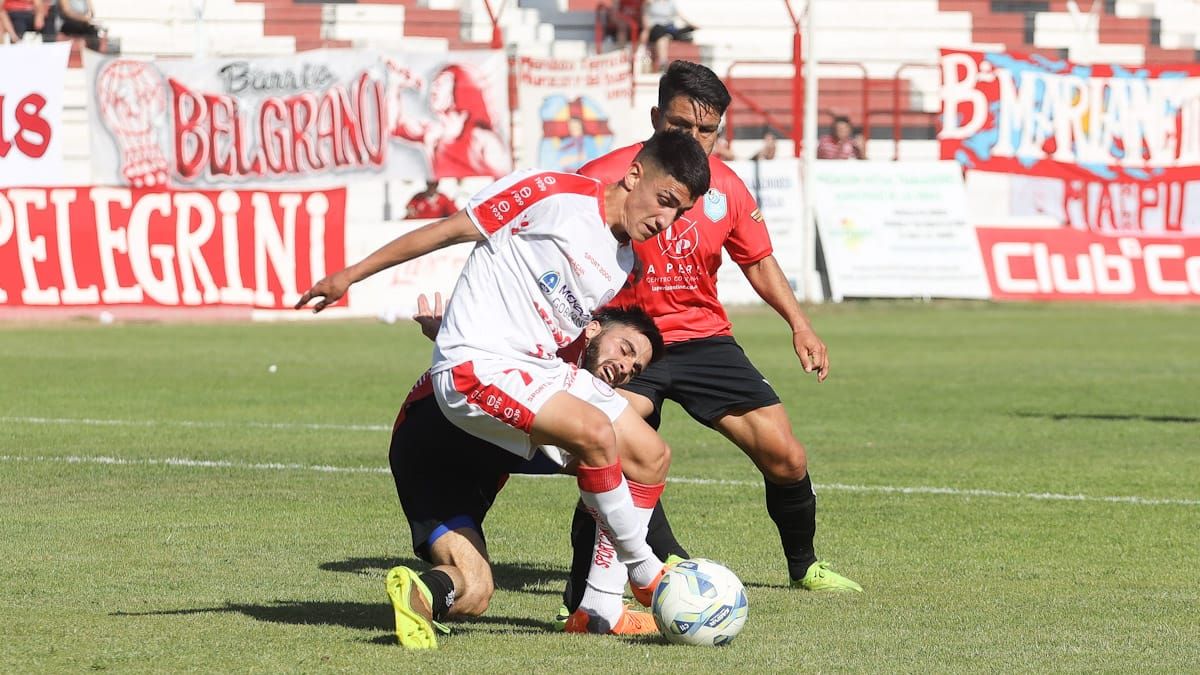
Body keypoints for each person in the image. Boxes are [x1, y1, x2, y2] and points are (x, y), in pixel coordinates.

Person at [295, 129, 712, 649]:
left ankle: (596, 609)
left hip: (534, 372)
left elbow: (553, 335)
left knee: (649, 454)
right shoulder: (552, 194)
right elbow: (450, 231)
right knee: (595, 435)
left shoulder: (622, 263)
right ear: (634, 175)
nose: (665, 221)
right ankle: (646, 572)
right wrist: (350, 275)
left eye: (680, 212)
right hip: (477, 366)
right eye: (664, 201)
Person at [558, 61, 861, 626]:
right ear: (655, 119)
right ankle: (585, 597)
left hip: (703, 339)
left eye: (708, 130)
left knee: (786, 455)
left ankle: (804, 566)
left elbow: (757, 259)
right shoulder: (604, 174)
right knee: (608, 449)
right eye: (681, 126)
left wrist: (799, 324)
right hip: (631, 340)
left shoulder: (725, 185)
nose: (695, 140)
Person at [388, 304, 669, 648]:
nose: (625, 367)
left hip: (457, 466)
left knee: (475, 591)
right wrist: (451, 332)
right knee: (617, 462)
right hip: (437, 425)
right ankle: (602, 605)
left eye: (634, 369)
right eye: (624, 349)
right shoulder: (556, 338)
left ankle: (423, 595)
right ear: (593, 328)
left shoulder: (581, 395)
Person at [391, 63, 512, 179]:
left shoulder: (484, 140)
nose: (434, 86)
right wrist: (395, 86)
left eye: (442, 83)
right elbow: (393, 127)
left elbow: (505, 179)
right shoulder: (432, 133)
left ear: (459, 89)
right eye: (435, 82)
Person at [640, 0, 696, 72]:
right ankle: (663, 62)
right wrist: (646, 29)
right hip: (654, 28)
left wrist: (692, 25)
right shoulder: (650, 2)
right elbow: (644, 15)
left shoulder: (671, 3)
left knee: (666, 35)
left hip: (667, 28)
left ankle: (663, 62)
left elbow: (681, 16)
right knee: (662, 35)